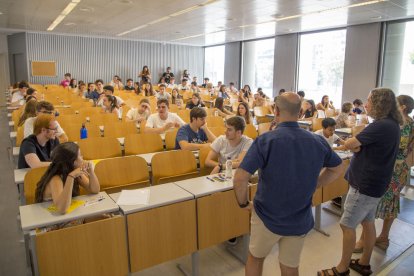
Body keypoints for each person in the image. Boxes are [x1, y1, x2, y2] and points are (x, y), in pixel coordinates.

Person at [233, 92, 343, 276]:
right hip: (299, 216)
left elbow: (240, 178)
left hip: (266, 214)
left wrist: (243, 203)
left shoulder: (265, 140)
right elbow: (338, 169)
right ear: (300, 112)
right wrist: (315, 184)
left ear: (275, 111)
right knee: (290, 267)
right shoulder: (317, 141)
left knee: (255, 258)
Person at [319, 88, 402, 276]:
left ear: (380, 103)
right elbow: (360, 146)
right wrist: (356, 145)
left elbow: (351, 144)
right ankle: (364, 263)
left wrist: (353, 144)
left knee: (347, 225)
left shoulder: (380, 126)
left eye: (369, 100)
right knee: (368, 222)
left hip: (364, 185)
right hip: (376, 183)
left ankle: (341, 269)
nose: (366, 104)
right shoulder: (392, 124)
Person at [353, 95, 414, 254]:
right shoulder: (408, 124)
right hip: (401, 168)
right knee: (391, 202)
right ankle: (383, 237)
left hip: (391, 167)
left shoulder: (400, 124)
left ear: (403, 107)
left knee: (370, 202)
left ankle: (364, 239)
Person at [34, 142, 100, 214]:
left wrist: (91, 171)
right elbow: (62, 209)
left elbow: (95, 190)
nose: (82, 157)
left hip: (69, 216)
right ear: (72, 161)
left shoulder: (74, 172)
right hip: (52, 220)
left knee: (103, 217)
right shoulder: (56, 179)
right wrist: (71, 177)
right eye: (80, 155)